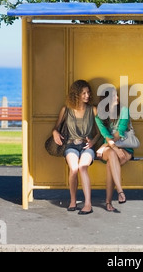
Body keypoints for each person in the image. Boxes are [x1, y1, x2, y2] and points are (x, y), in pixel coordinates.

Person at [53, 80, 100, 214]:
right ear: (76, 94)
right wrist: (55, 132)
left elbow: (100, 132)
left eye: (88, 92)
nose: (87, 95)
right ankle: (73, 201)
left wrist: (92, 142)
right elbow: (55, 128)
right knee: (74, 169)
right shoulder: (66, 110)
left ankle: (88, 204)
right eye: (83, 93)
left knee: (82, 167)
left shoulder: (93, 110)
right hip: (71, 145)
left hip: (87, 146)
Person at [95, 87, 133, 212]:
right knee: (111, 154)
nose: (117, 98)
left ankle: (108, 202)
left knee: (110, 165)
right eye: (113, 97)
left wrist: (104, 146)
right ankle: (120, 191)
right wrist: (114, 149)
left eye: (117, 95)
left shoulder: (124, 110)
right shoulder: (99, 117)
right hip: (111, 148)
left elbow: (119, 133)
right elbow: (106, 135)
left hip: (125, 148)